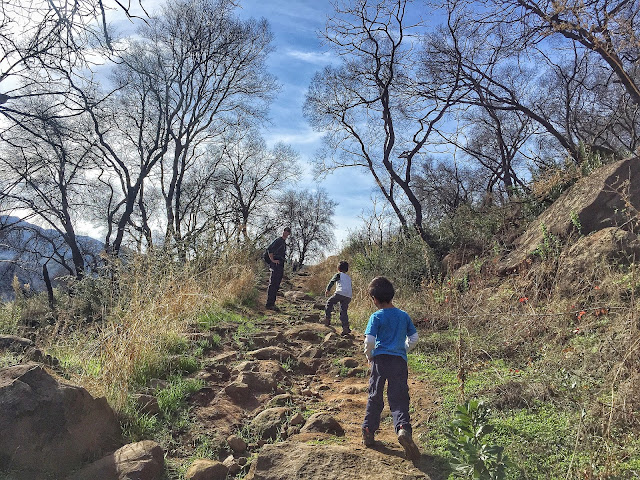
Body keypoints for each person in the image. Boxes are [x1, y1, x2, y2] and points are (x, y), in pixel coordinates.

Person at [362, 276, 420, 461]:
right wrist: (403, 349)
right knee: (399, 397)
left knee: (375, 395)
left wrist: (369, 355)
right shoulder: (403, 315)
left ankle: (369, 430)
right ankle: (403, 429)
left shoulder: (376, 316)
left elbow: (370, 341)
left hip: (380, 360)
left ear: (375, 299)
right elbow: (414, 338)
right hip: (398, 362)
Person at [265, 227, 291, 311]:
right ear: (283, 232)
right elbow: (269, 249)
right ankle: (269, 304)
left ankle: (272, 303)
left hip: (280, 265)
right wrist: (272, 260)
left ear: (289, 234)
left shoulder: (283, 242)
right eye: (285, 231)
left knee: (276, 285)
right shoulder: (279, 240)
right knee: (273, 284)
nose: (286, 233)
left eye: (288, 232)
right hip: (276, 265)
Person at [324, 260, 352, 336]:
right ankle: (345, 327)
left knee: (329, 302)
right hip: (348, 296)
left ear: (338, 268)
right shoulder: (348, 277)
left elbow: (332, 281)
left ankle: (327, 319)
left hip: (340, 293)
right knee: (344, 311)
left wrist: (327, 289)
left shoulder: (338, 275)